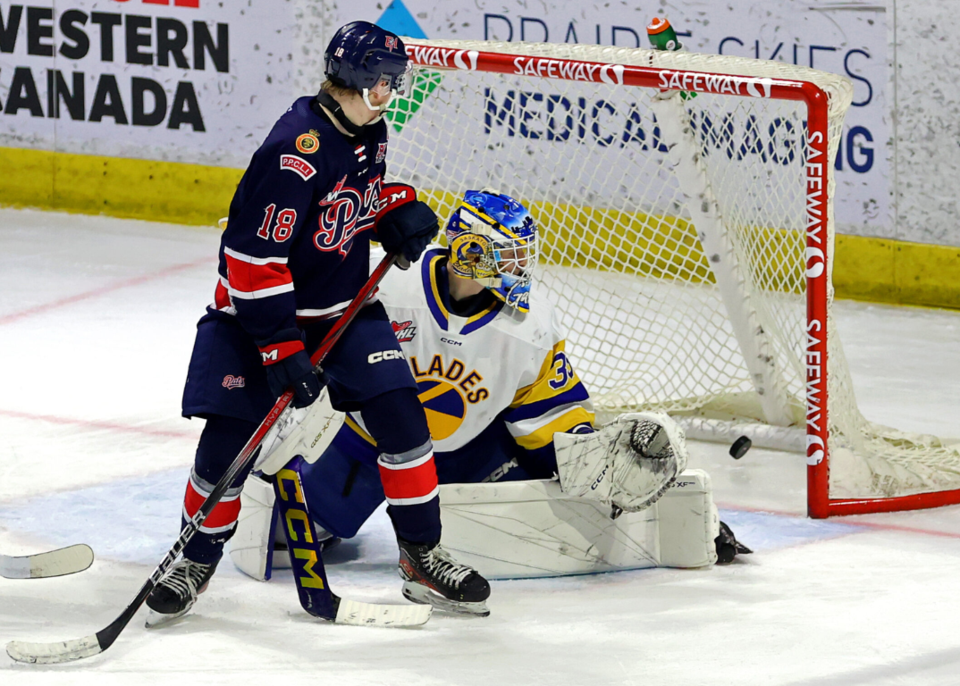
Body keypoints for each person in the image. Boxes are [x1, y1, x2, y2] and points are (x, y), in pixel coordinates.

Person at [145, 21, 490, 626]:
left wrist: (393, 211)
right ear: (355, 78)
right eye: (384, 82)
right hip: (256, 320)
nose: (392, 93)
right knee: (228, 446)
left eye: (394, 82)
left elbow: (352, 202)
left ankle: (421, 554)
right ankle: (192, 558)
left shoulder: (368, 128)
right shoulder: (294, 152)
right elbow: (253, 261)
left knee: (404, 420)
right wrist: (281, 350)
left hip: (342, 311)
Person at [235, 189, 750, 584]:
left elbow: (553, 419)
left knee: (573, 505)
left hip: (475, 451)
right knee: (279, 539)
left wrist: (593, 461)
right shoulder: (392, 288)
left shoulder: (528, 326)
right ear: (471, 253)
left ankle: (685, 518)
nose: (520, 268)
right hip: (371, 445)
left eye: (521, 255)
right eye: (507, 255)